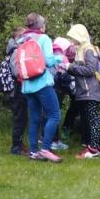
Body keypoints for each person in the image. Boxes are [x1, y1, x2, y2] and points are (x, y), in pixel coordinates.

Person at [21, 13, 64, 161]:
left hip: (27, 84)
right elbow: (49, 61)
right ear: (40, 26)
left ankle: (33, 152)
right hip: (42, 82)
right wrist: (61, 58)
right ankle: (45, 149)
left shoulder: (23, 39)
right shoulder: (43, 38)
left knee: (34, 119)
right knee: (55, 115)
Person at [65, 24, 100, 158]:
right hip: (85, 92)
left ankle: (93, 149)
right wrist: (68, 67)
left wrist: (70, 67)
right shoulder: (81, 50)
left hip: (91, 91)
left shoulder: (88, 50)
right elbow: (80, 69)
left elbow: (90, 70)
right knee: (91, 120)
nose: (72, 41)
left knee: (93, 121)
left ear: (80, 36)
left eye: (73, 37)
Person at [3, 27, 29, 155]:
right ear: (17, 37)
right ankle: (16, 147)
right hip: (16, 88)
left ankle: (19, 144)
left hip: (18, 87)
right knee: (19, 117)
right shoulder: (15, 50)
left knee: (22, 117)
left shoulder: (15, 49)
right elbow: (16, 71)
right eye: (23, 37)